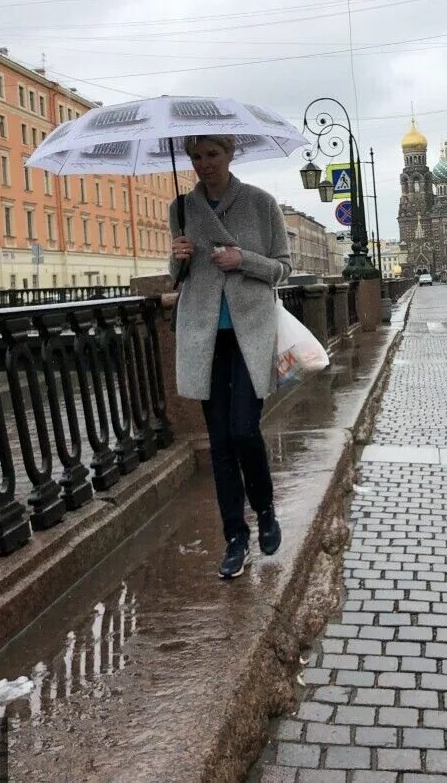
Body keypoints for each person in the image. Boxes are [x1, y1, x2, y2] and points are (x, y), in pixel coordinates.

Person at [169, 134, 293, 580]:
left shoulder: (260, 203)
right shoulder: (181, 209)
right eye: (196, 156)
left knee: (244, 431)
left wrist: (244, 260)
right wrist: (178, 258)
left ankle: (265, 508)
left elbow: (284, 267)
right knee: (220, 443)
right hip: (204, 337)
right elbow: (179, 278)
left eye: (212, 154)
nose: (204, 164)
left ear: (230, 154)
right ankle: (235, 538)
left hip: (250, 335)